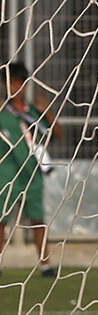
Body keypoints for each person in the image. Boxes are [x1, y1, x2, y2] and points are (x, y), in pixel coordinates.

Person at [0, 61, 61, 276]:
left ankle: (45, 265)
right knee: (1, 220)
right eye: (7, 83)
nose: (12, 88)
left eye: (16, 83)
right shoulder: (2, 112)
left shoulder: (33, 111)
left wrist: (46, 112)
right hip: (5, 175)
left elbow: (56, 134)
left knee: (37, 220)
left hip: (32, 174)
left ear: (25, 85)